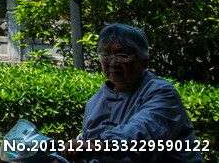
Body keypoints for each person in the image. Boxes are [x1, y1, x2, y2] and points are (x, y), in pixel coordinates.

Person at [75, 23, 202, 162]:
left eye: (122, 55)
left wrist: (94, 144)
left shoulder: (161, 92)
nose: (112, 62)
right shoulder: (95, 101)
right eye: (105, 54)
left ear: (144, 61)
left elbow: (140, 133)